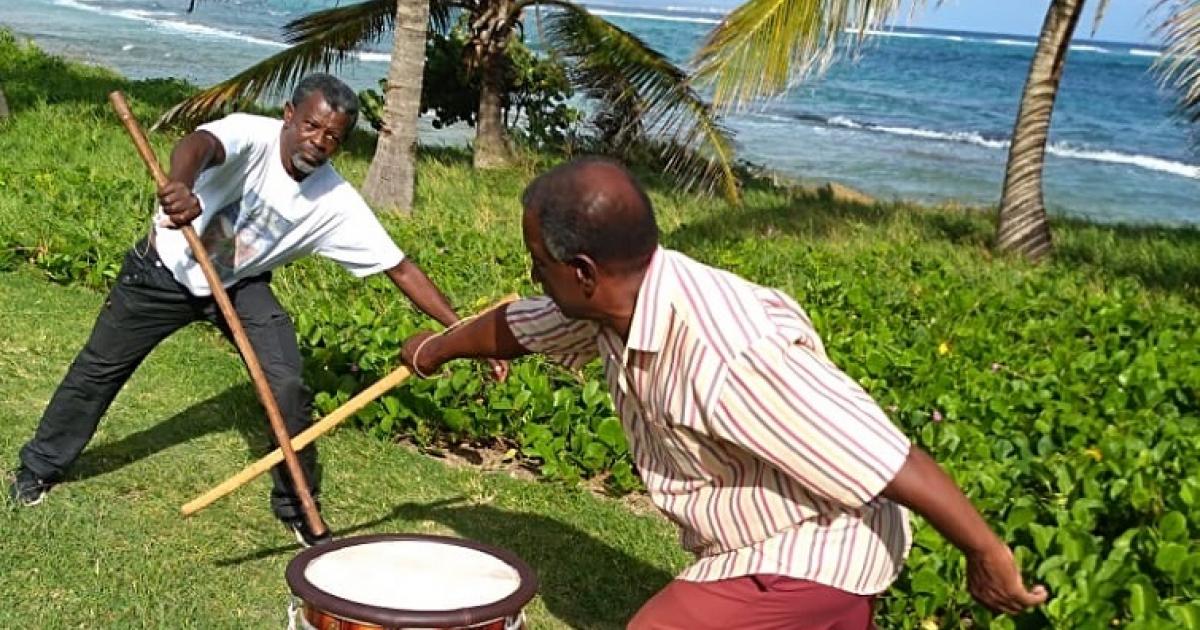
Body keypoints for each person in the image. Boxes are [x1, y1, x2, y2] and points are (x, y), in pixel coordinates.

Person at [397, 157, 1048, 628]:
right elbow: (518, 325)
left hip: (816, 547)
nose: (532, 274)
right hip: (755, 542)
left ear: (585, 271)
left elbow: (886, 457)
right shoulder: (611, 303)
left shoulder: (730, 356)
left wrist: (987, 553)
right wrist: (432, 350)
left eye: (538, 262)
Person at [7, 73, 502, 547]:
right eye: (310, 126)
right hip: (162, 271)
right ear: (289, 115)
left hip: (239, 286)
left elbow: (402, 269)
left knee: (285, 382)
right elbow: (197, 145)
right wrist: (180, 185)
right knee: (98, 369)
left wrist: (463, 332)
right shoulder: (250, 133)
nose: (318, 141)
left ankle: (299, 507)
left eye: (332, 136)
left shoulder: (337, 203)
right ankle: (39, 467)